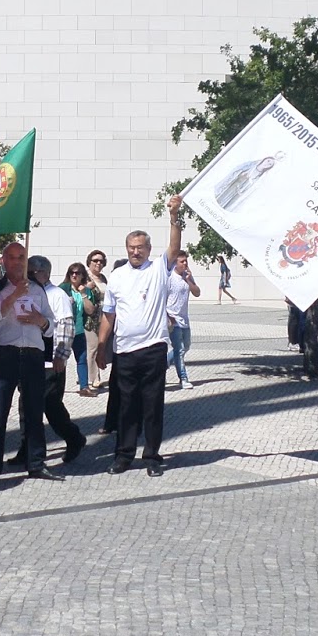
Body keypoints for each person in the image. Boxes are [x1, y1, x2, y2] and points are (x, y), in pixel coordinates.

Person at [96, 196, 185, 477]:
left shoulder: (158, 269)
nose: (136, 252)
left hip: (152, 348)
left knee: (152, 406)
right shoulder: (117, 276)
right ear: (127, 249)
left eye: (141, 248)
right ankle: (123, 455)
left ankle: (152, 456)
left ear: (148, 249)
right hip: (124, 351)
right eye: (132, 248)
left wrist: (174, 217)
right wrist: (101, 346)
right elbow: (109, 314)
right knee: (125, 407)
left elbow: (174, 248)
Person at [0, 243, 61, 487]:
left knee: (34, 412)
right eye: (12, 257)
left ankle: (36, 463)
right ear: (4, 261)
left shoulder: (37, 289)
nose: (17, 262)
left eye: (21, 257)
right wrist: (13, 296)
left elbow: (51, 326)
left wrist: (40, 320)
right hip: (5, 355)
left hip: (32, 355)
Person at [30, 255, 87, 464]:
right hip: (31, 358)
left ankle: (73, 437)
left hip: (51, 360)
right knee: (26, 406)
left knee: (51, 406)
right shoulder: (29, 292)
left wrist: (61, 356)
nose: (29, 275)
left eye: (33, 272)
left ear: (45, 273)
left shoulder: (56, 295)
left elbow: (66, 325)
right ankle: (27, 448)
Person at [166, 253, 201, 388]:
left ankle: (163, 364)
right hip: (173, 319)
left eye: (186, 261)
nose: (185, 264)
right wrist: (168, 316)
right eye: (182, 261)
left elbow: (197, 293)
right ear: (175, 263)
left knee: (186, 346)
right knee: (179, 349)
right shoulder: (169, 277)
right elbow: (162, 298)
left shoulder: (187, 276)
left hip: (184, 319)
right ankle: (183, 378)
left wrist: (188, 280)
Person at [62, 262, 97, 395]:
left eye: (77, 273)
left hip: (79, 331)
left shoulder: (87, 291)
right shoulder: (63, 289)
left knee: (82, 359)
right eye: (72, 272)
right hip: (64, 331)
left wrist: (83, 294)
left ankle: (84, 387)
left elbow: (90, 310)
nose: (74, 275)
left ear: (83, 275)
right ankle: (55, 386)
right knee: (61, 359)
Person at [84, 250, 109, 389]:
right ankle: (94, 378)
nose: (98, 263)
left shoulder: (103, 278)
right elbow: (76, 290)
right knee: (93, 347)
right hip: (90, 318)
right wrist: (86, 288)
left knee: (101, 345)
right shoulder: (86, 278)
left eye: (101, 261)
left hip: (104, 317)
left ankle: (92, 374)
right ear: (89, 262)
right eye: (95, 260)